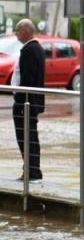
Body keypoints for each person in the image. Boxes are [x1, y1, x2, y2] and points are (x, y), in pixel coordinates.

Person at [11, 19, 44, 183]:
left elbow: (28, 79)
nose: (16, 33)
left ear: (26, 31)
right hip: (28, 101)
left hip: (26, 102)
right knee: (28, 136)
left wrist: (20, 99)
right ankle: (31, 169)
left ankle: (32, 171)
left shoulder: (31, 50)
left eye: (18, 30)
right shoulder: (32, 48)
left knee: (26, 136)